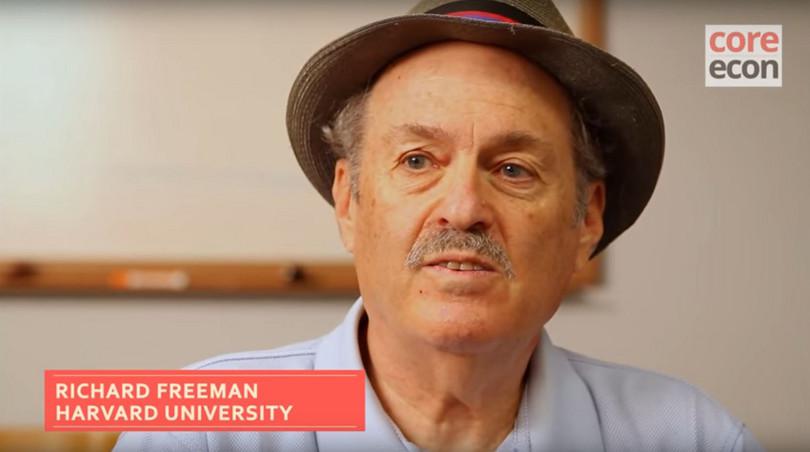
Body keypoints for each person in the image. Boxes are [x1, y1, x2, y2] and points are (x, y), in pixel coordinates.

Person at [115, 1, 762, 451]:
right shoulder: (200, 431)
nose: (462, 208)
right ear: (348, 201)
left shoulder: (693, 436)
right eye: (418, 160)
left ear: (585, 219)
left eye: (513, 169)